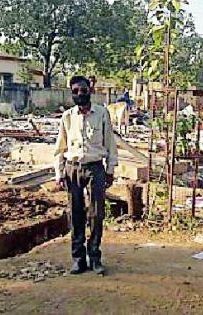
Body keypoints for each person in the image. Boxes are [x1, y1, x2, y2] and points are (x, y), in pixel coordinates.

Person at [54, 75, 118, 275]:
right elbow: (60, 148)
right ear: (71, 93)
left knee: (96, 214)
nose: (79, 94)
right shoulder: (67, 117)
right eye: (75, 91)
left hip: (95, 168)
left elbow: (110, 144)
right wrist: (60, 172)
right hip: (73, 169)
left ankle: (95, 257)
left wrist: (110, 170)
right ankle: (78, 259)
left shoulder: (101, 114)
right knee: (76, 214)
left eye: (83, 90)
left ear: (90, 90)